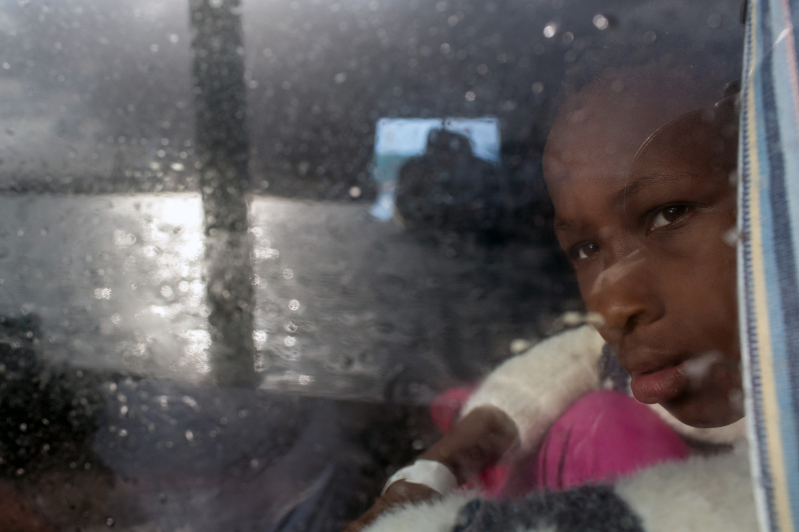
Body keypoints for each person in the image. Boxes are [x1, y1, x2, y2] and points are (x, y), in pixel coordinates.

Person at [344, 67, 755, 532]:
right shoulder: (629, 360)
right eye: (584, 249)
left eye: (670, 213)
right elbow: (552, 371)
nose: (612, 305)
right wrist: (426, 476)